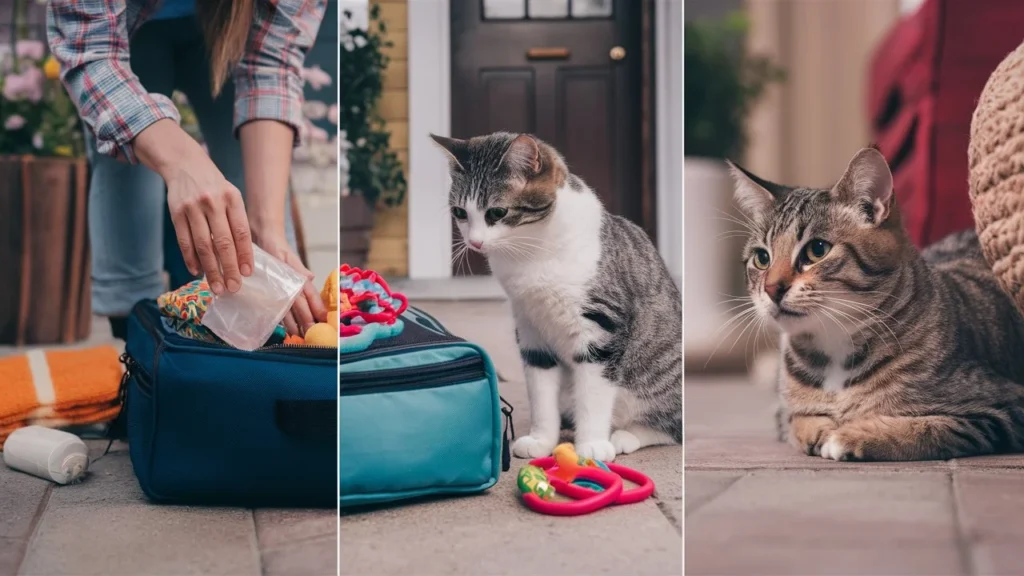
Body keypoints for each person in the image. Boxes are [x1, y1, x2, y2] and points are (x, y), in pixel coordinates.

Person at [46, 0, 328, 338]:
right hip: (126, 29)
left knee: (265, 233)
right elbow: (91, 55)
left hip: (233, 25)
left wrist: (269, 229)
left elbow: (273, 65)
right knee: (127, 172)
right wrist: (183, 164)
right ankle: (136, 336)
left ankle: (268, 351)